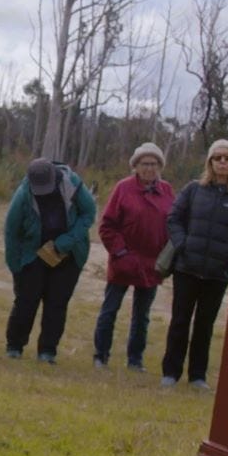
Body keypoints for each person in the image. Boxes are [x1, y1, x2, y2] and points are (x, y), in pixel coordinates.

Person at [159, 139, 228, 391]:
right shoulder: (193, 190)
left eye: (227, 158)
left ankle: (197, 375)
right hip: (187, 268)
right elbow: (173, 217)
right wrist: (183, 244)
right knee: (180, 321)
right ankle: (170, 372)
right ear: (209, 162)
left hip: (218, 272)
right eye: (217, 158)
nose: (222, 162)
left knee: (205, 325)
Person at [3, 158, 96, 364]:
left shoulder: (73, 184)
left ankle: (47, 351)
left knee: (57, 303)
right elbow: (11, 231)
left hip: (69, 252)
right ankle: (14, 346)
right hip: (34, 253)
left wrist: (65, 242)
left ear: (56, 177)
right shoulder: (23, 194)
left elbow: (89, 213)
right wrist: (15, 267)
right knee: (26, 300)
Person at [92, 142, 175, 371]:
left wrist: (167, 255)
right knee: (110, 310)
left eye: (154, 164)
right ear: (135, 166)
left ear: (160, 166)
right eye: (145, 164)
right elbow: (107, 226)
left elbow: (173, 223)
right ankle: (101, 355)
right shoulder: (123, 188)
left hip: (152, 264)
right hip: (124, 261)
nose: (150, 168)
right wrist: (120, 253)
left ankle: (135, 360)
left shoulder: (167, 190)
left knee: (142, 316)